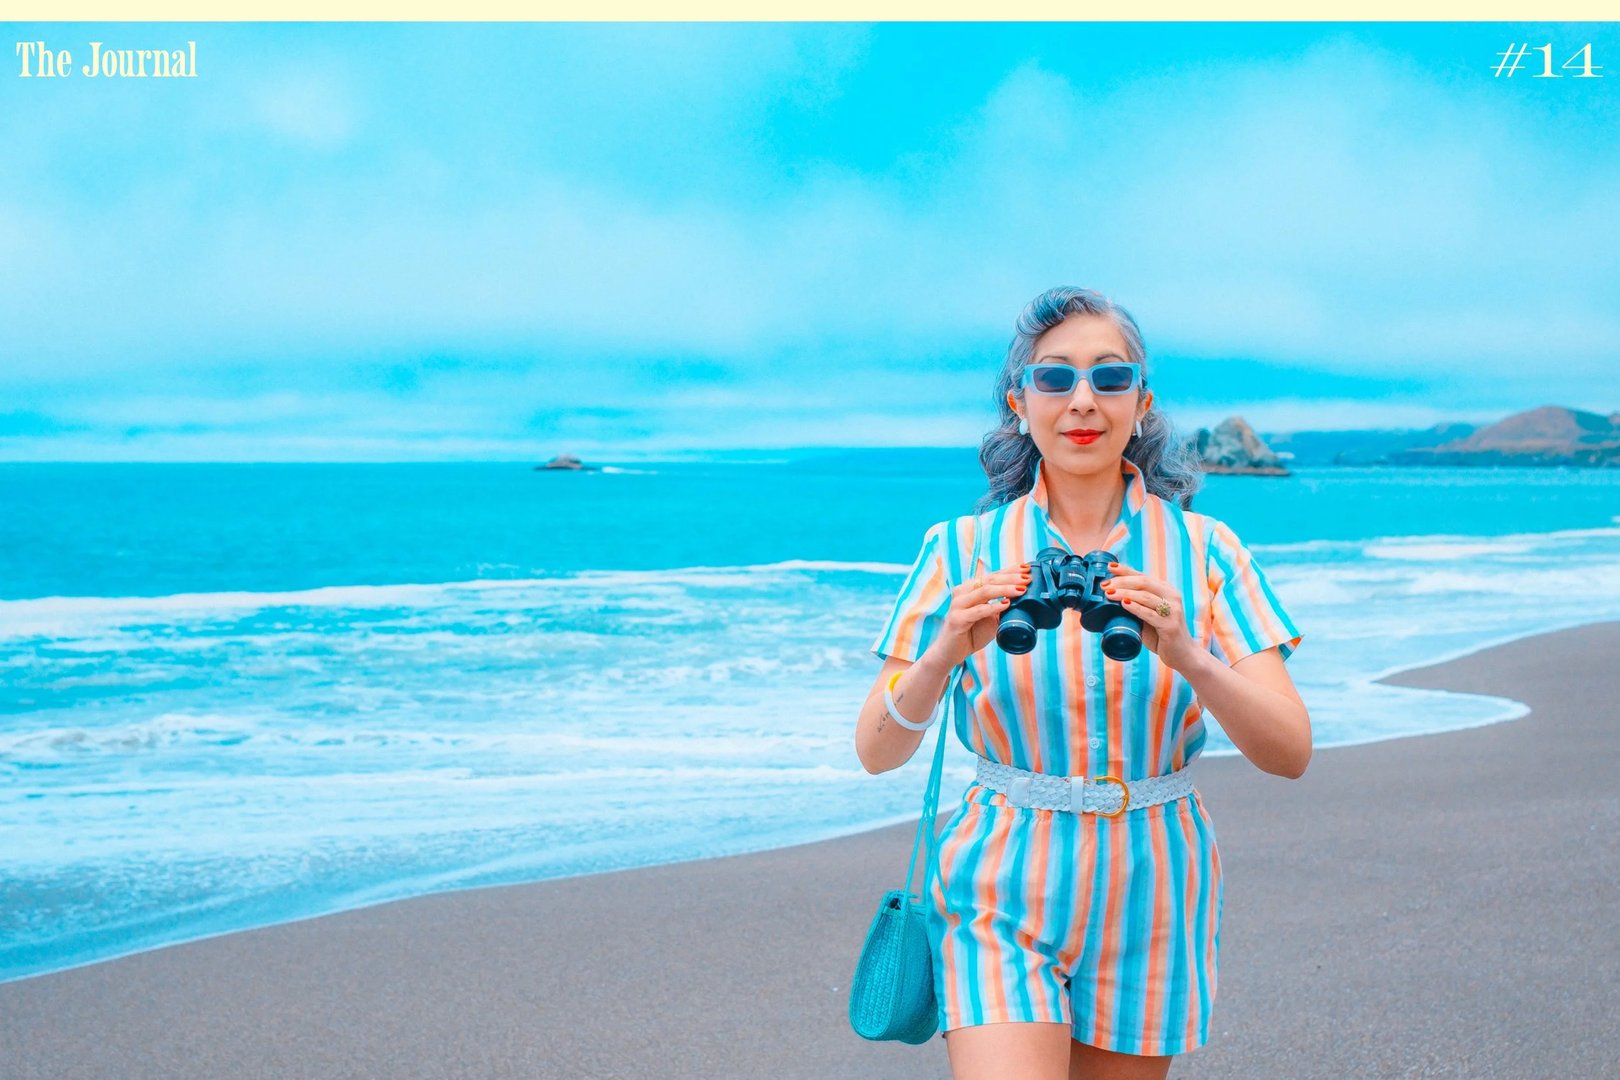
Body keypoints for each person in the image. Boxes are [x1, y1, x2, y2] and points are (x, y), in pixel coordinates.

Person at [855, 286, 1309, 1080]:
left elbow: (1289, 750)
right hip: (998, 879)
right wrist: (943, 653)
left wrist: (1188, 654)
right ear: (1019, 402)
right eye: (1054, 378)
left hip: (1155, 882)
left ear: (1143, 403)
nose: (1082, 401)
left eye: (1110, 376)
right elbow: (876, 750)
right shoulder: (960, 548)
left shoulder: (1205, 551)